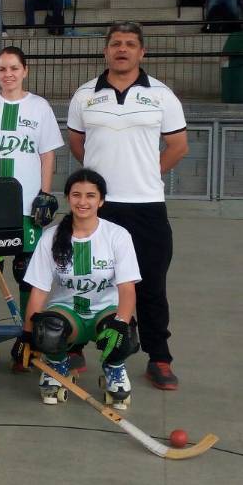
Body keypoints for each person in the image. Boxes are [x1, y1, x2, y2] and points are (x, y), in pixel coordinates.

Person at [67, 21, 188, 390]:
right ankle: (75, 348)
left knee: (151, 285)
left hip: (147, 206)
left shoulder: (162, 95)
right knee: (88, 280)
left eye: (130, 44)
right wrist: (98, 188)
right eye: (116, 43)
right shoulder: (85, 95)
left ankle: (159, 358)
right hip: (99, 209)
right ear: (106, 51)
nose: (122, 49)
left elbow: (178, 146)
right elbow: (78, 144)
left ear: (142, 52)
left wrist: (148, 175)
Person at [11, 169, 141, 406]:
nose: (83, 202)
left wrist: (121, 324)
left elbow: (127, 289)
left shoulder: (117, 235)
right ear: (68, 198)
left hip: (105, 310)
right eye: (76, 195)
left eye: (90, 196)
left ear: (101, 200)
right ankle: (57, 365)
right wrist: (28, 334)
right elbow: (38, 291)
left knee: (126, 334)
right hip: (68, 311)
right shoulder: (50, 237)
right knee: (48, 329)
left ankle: (114, 368)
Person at [0, 46, 63, 341]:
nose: (8, 74)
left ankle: (28, 335)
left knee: (25, 267)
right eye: (2, 69)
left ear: (25, 70)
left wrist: (45, 193)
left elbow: (47, 155)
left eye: (14, 68)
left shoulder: (39, 107)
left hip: (26, 202)